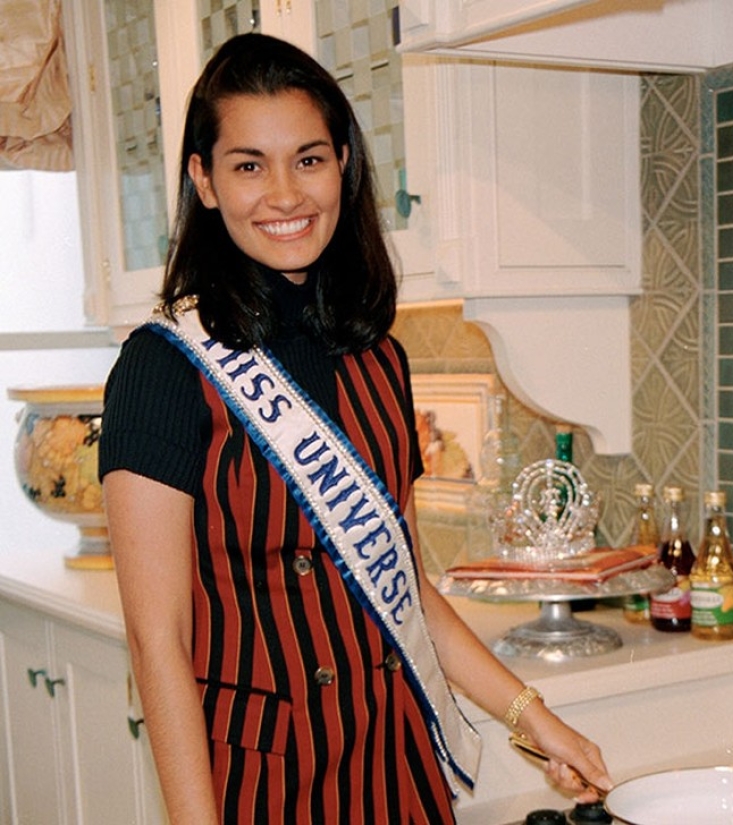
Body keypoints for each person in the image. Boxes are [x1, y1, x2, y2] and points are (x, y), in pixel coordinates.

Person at [99, 33, 612, 825]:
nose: (284, 193)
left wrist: (535, 721)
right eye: (247, 164)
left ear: (343, 162)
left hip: (394, 768)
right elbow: (155, 642)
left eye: (307, 159)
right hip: (262, 785)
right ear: (203, 180)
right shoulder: (163, 368)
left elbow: (405, 587)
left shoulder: (378, 359)